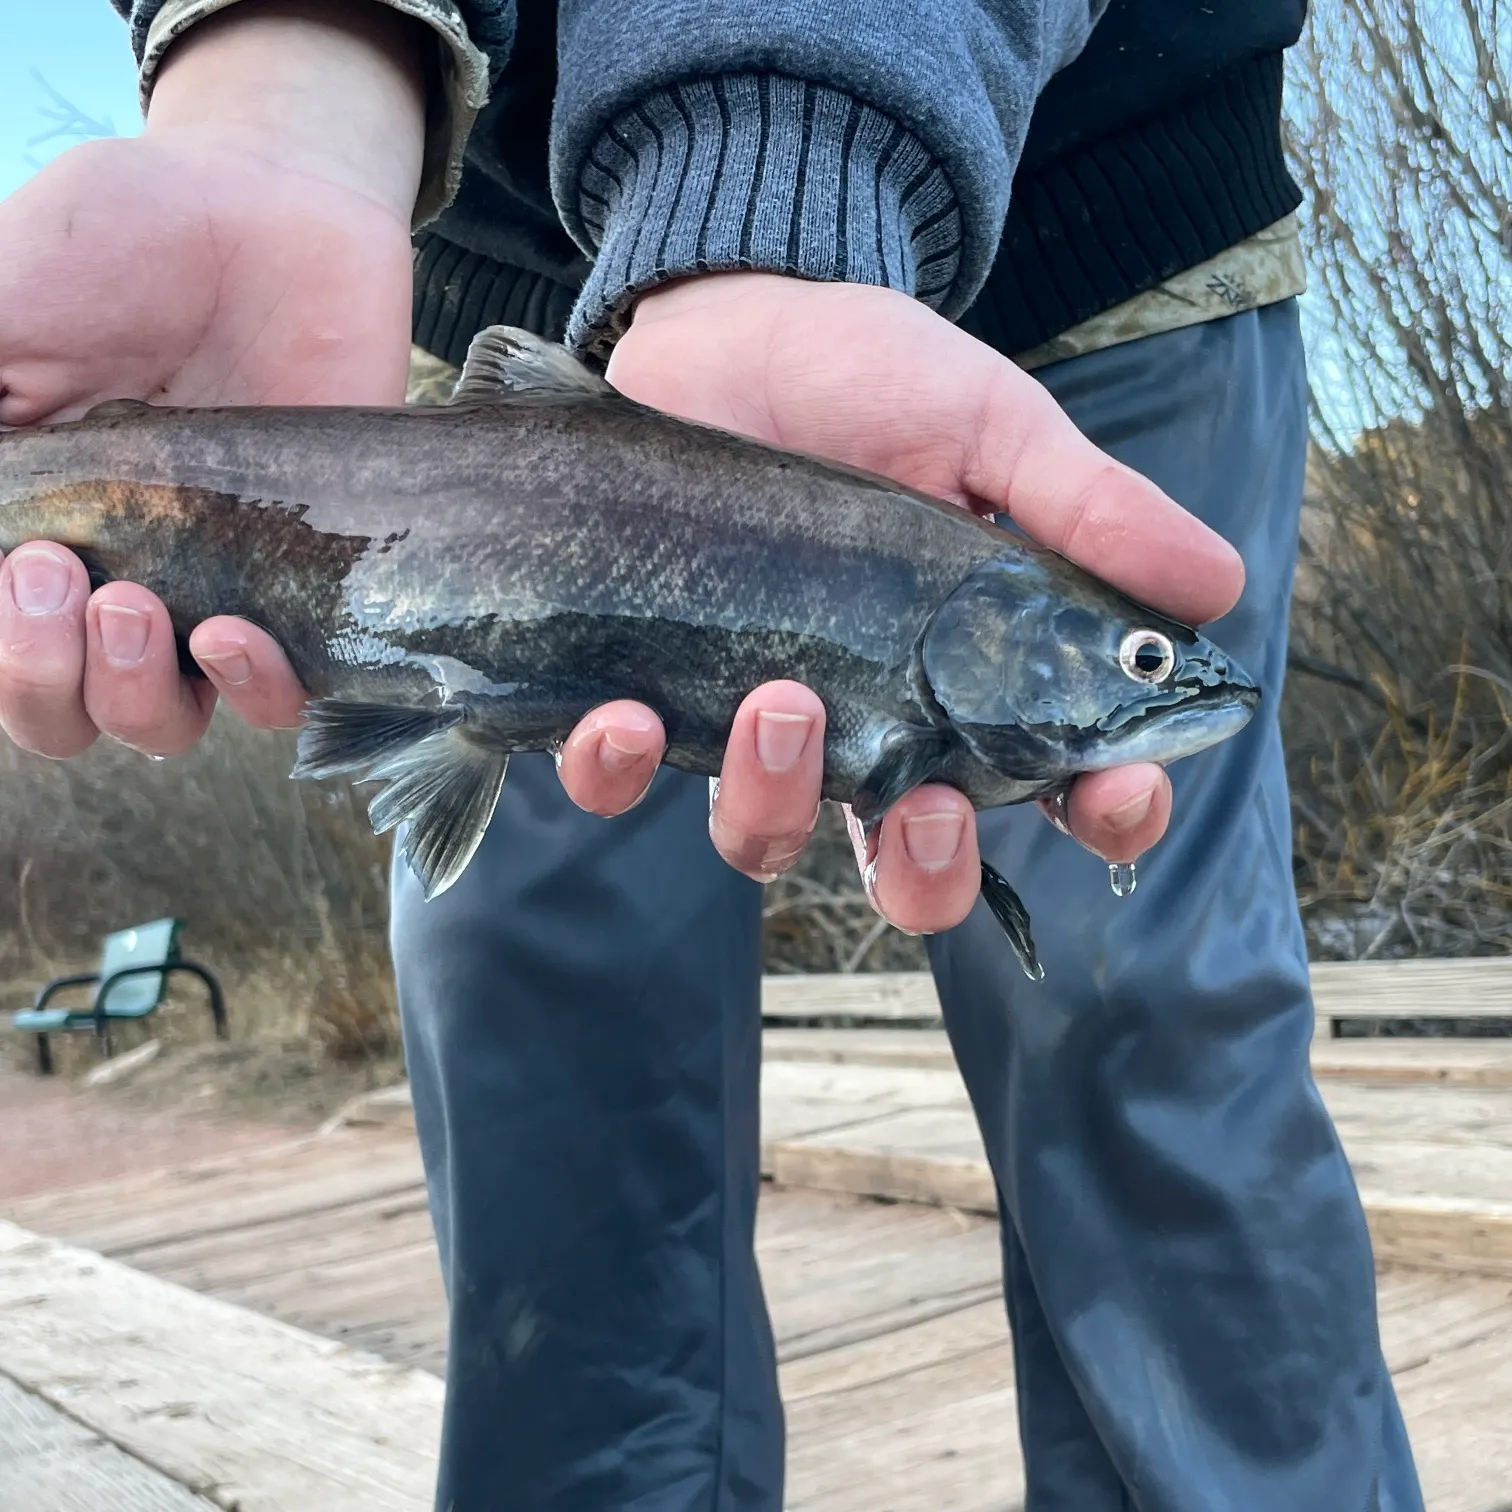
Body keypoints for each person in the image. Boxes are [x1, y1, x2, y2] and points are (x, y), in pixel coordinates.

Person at [0, 0, 1423, 1507]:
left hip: (1109, 228)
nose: (1163, 678)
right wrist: (290, 73)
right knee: (540, 1047)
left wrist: (779, 151)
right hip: (477, 275)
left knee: (1148, 1027)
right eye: (1141, 666)